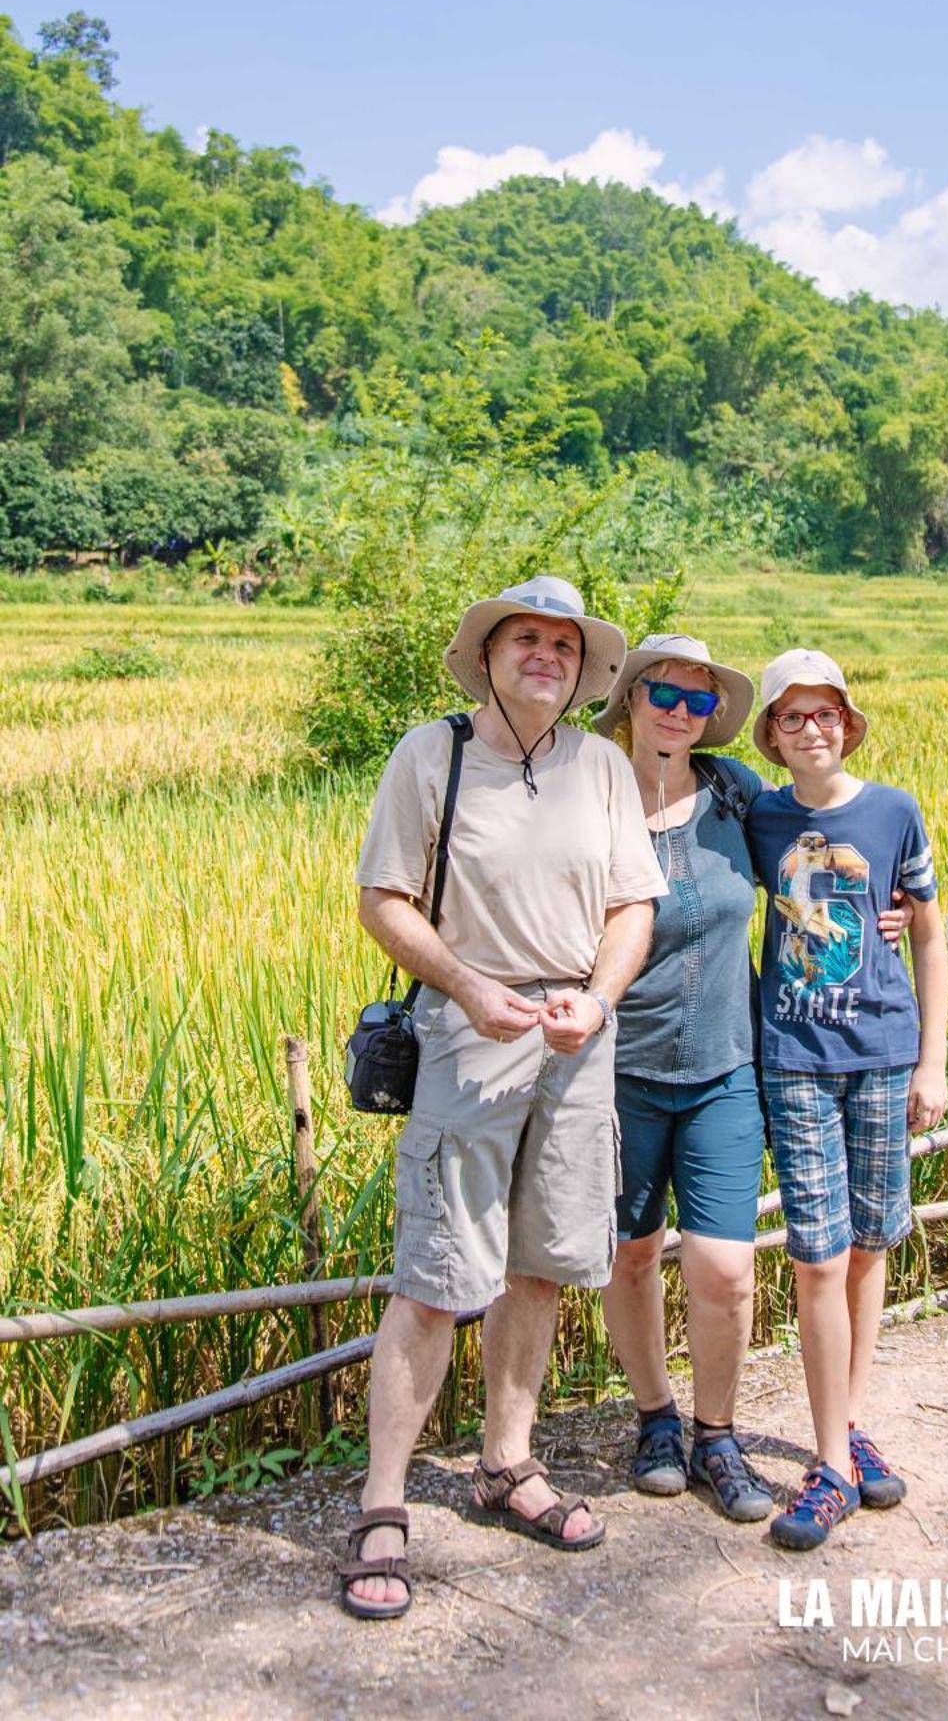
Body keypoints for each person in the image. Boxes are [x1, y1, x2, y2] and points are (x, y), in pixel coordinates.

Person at [338, 576, 667, 1619]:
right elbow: (381, 899)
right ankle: (384, 1498)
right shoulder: (429, 754)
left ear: (583, 670)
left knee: (540, 1264)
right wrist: (469, 988)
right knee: (437, 1271)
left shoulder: (603, 765)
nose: (546, 656)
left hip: (577, 1040)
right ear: (486, 654)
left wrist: (599, 999)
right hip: (464, 1034)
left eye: (564, 647)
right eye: (524, 638)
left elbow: (630, 907)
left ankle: (505, 1463)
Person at [594, 635, 911, 1524]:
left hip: (729, 1064)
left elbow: (831, 852)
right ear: (629, 698)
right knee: (627, 1252)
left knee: (727, 1269)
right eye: (664, 693)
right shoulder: (591, 794)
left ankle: (716, 1432)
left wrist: (881, 911)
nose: (679, 713)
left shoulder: (734, 794)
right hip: (617, 1065)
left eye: (699, 702)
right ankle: (654, 1416)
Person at [745, 648, 948, 1552]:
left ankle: (850, 1423)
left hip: (881, 1051)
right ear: (772, 738)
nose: (812, 730)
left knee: (868, 1248)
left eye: (825, 714)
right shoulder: (758, 815)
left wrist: (930, 1061)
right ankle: (830, 1464)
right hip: (792, 1056)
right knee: (817, 1258)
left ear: (848, 723)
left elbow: (930, 935)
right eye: (792, 718)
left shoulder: (893, 810)